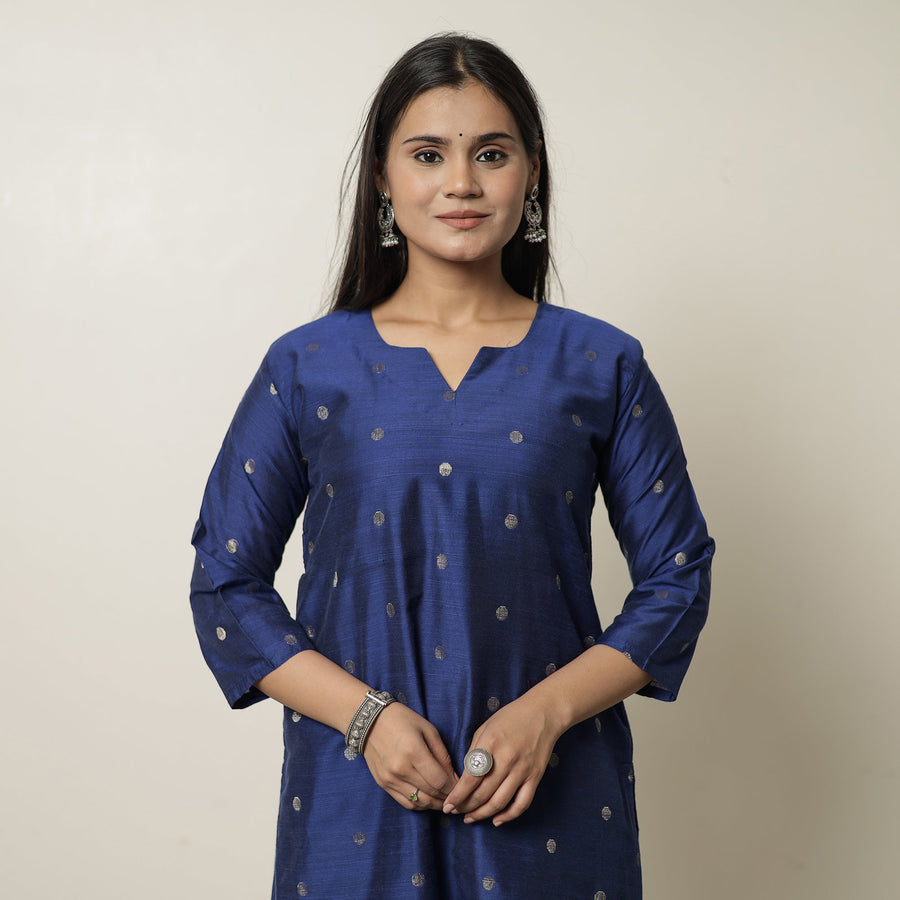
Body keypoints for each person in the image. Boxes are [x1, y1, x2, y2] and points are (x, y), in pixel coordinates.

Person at [190, 33, 714, 900]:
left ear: (531, 174)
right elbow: (224, 584)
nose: (461, 182)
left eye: (491, 154)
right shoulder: (308, 367)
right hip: (354, 801)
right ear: (384, 179)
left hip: (550, 797)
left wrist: (545, 713)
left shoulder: (600, 366)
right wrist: (367, 720)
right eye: (428, 154)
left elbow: (679, 579)